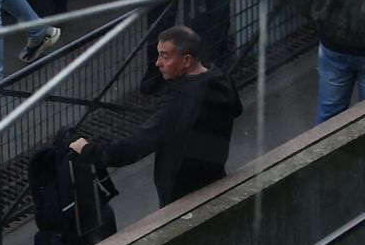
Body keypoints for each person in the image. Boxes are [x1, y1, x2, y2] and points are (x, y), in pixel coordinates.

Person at [68, 25, 241, 206]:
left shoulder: (181, 101)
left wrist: (89, 151)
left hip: (182, 197)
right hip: (215, 178)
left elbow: (137, 145)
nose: (158, 62)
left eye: (165, 56)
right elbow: (236, 109)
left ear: (186, 60)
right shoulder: (220, 79)